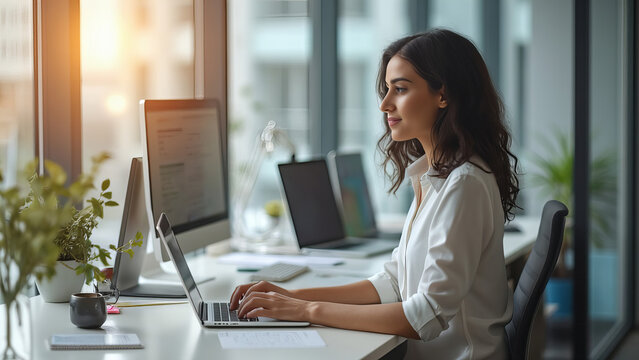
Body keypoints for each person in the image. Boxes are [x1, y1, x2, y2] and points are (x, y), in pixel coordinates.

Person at [229, 28, 519, 360]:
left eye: (400, 89)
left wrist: (308, 311)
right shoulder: (433, 175)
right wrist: (291, 297)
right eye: (386, 90)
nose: (384, 104)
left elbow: (427, 315)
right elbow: (394, 283)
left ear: (443, 95)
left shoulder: (463, 183)